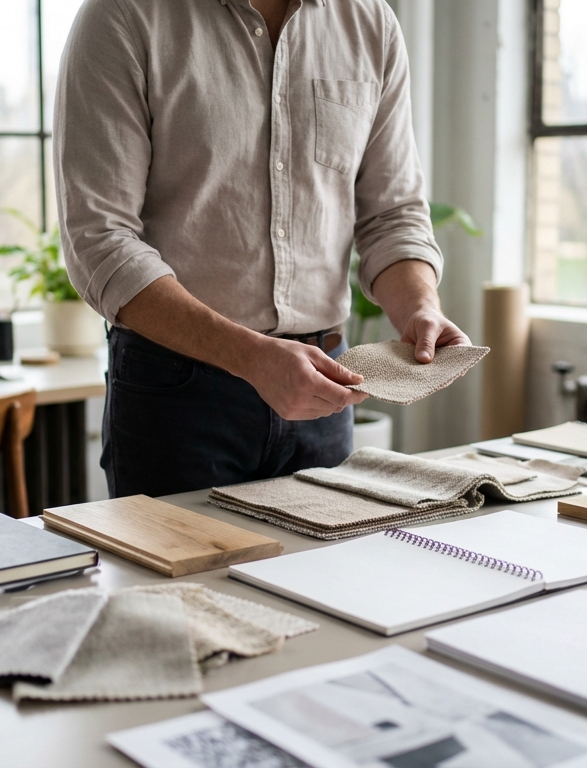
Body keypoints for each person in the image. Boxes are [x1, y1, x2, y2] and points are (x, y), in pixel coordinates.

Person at [55, 0, 470, 498]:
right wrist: (251, 358)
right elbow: (99, 240)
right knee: (186, 578)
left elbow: (392, 214)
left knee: (325, 577)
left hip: (328, 390)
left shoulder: (369, 21)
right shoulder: (123, 15)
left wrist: (419, 307)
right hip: (175, 396)